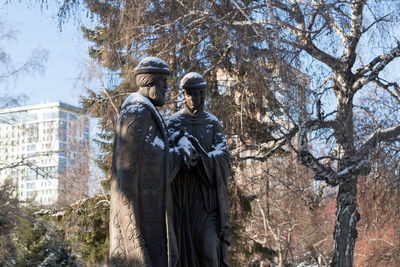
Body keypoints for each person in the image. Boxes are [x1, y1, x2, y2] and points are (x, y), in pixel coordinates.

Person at [109, 57, 195, 267]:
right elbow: (146, 164)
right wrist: (180, 154)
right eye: (163, 85)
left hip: (149, 204)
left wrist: (173, 144)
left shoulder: (145, 112)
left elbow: (151, 151)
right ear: (151, 83)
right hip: (141, 207)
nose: (166, 90)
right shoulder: (137, 113)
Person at [167, 72, 230, 267]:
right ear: (183, 94)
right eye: (191, 93)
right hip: (183, 200)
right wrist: (181, 152)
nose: (196, 98)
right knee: (183, 254)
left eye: (200, 93)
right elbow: (164, 158)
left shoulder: (212, 123)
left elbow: (223, 158)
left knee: (210, 251)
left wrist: (201, 156)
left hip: (206, 201)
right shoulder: (174, 123)